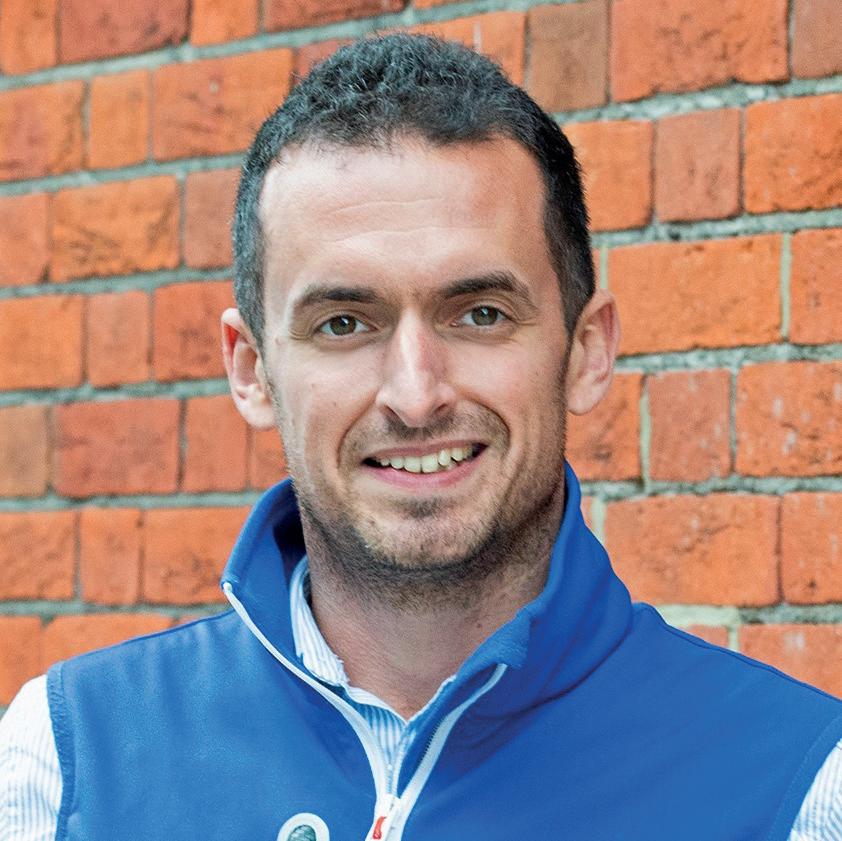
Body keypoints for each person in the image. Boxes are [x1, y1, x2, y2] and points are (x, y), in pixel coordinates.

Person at [1, 34, 840, 841]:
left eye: (481, 314)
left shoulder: (794, 790)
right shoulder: (67, 763)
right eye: (343, 322)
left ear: (587, 351)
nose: (415, 394)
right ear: (251, 371)